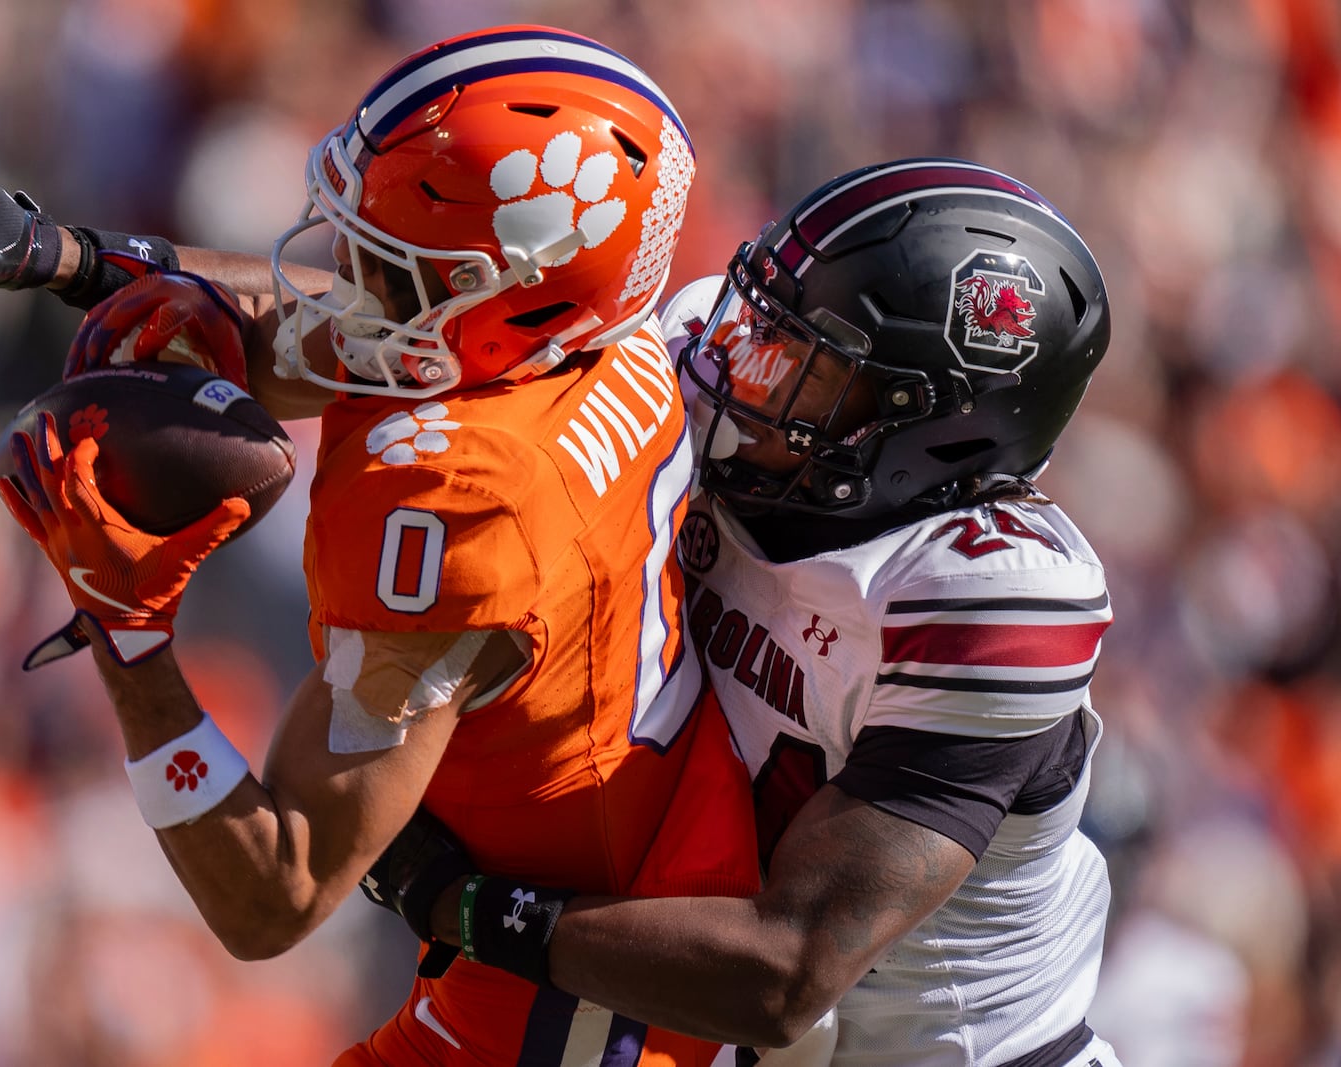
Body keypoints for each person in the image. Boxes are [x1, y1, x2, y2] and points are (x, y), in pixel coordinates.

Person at [0, 24, 765, 1067]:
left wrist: (127, 633)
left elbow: (277, 892)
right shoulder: (590, 334)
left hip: (562, 1021)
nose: (346, 265)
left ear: (517, 292)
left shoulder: (456, 504)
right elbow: (354, 318)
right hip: (591, 938)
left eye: (396, 259)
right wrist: (82, 259)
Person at [375, 158, 1127, 1067]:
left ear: (927, 430)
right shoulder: (709, 358)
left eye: (806, 366)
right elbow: (427, 328)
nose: (736, 366)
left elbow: (783, 972)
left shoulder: (987, 600)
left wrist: (457, 901)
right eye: (760, 322)